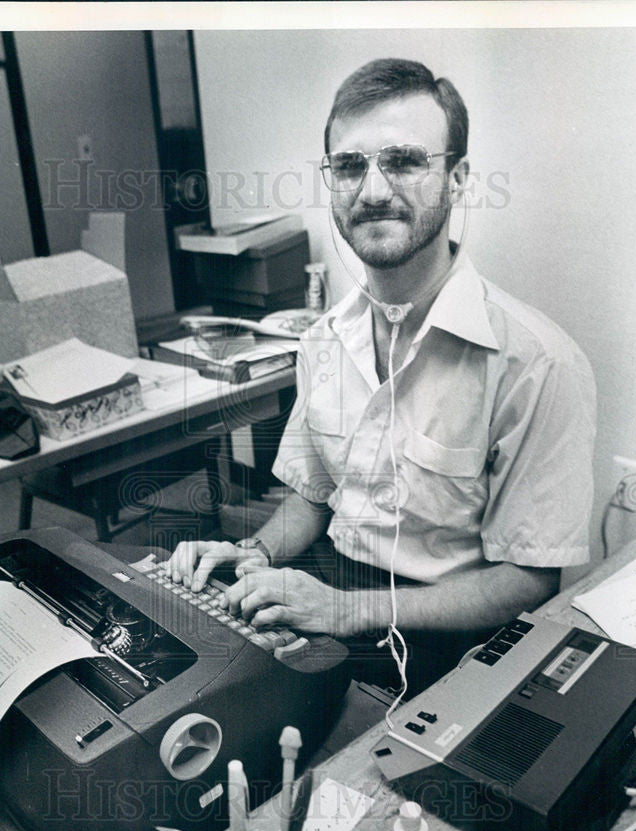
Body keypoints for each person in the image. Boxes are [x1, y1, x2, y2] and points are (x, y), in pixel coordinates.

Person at [162, 58, 596, 696]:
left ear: (457, 177)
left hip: (448, 638)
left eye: (404, 160)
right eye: (350, 165)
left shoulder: (538, 364)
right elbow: (313, 497)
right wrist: (254, 554)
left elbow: (527, 582)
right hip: (323, 592)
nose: (372, 191)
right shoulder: (322, 340)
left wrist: (344, 609)